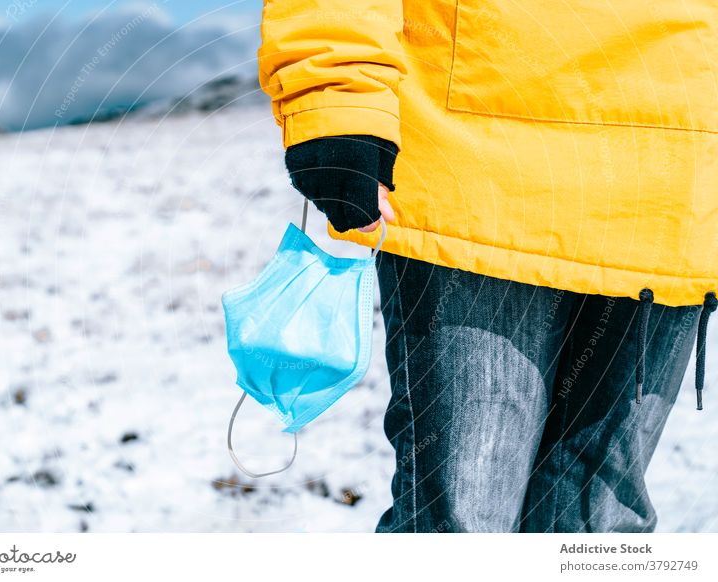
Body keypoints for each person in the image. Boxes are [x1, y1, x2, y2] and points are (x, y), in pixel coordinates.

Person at [257, 0, 718, 532]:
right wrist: (335, 98)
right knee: (465, 525)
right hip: (482, 171)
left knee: (597, 534)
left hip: (677, 181)